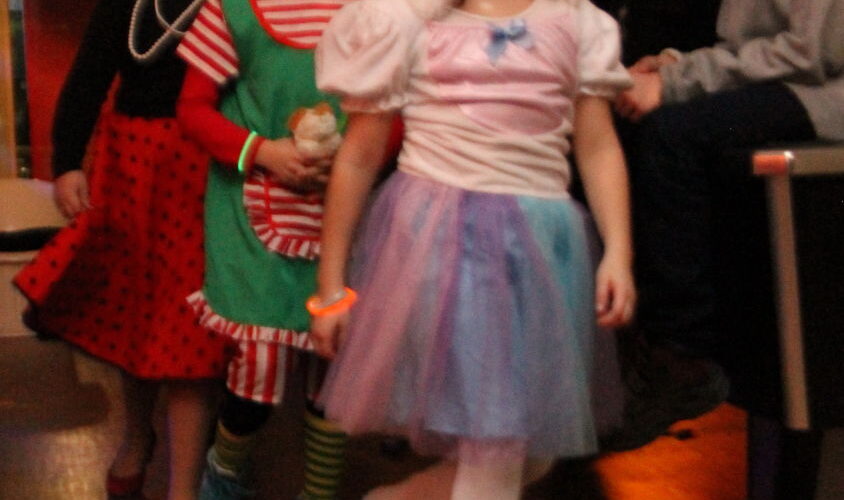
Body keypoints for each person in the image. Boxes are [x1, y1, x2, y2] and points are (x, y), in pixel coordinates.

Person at [308, 0, 635, 497]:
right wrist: (331, 287)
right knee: (498, 443)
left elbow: (598, 145)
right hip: (443, 250)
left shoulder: (578, 21)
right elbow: (359, 156)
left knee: (529, 456)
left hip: (539, 255)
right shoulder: (407, 21)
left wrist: (618, 251)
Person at [13, 1, 231, 499]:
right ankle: (138, 435)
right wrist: (68, 161)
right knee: (136, 318)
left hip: (207, 171)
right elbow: (88, 74)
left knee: (192, 332)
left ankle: (184, 488)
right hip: (132, 169)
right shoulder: (126, 4)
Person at [610, 0, 844, 448]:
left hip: (826, 94)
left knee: (672, 136)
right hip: (799, 80)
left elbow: (809, 54)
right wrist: (674, 64)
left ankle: (682, 355)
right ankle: (630, 353)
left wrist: (675, 82)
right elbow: (751, 41)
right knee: (628, 122)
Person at [173, 0, 369, 497]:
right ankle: (222, 478)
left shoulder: (376, 10)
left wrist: (355, 161)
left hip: (345, 210)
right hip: (250, 213)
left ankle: (319, 494)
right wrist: (262, 152)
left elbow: (397, 110)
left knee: (335, 364)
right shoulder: (233, 8)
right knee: (259, 368)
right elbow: (193, 109)